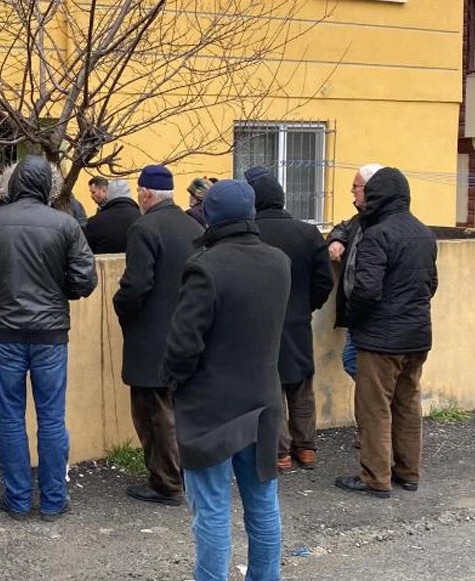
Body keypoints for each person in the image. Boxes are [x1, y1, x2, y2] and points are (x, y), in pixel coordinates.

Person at [162, 180, 290, 581]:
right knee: (263, 502)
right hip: (264, 399)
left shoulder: (206, 266)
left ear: (209, 215)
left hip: (211, 409)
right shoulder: (279, 262)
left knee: (213, 508)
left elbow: (184, 344)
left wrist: (174, 381)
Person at [0, 155, 97, 522]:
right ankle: (53, 500)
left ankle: (18, 499)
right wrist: (57, 291)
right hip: (51, 334)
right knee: (51, 417)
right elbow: (85, 280)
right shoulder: (66, 224)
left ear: (15, 183)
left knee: (10, 417)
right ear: (47, 186)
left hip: (5, 332)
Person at [335, 167, 437, 499]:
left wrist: (355, 319)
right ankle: (408, 472)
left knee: (374, 407)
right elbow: (431, 284)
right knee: (408, 403)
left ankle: (375, 477)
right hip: (417, 334)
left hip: (380, 339)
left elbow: (365, 290)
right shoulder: (423, 232)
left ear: (378, 196)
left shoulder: (377, 234)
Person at [113, 165, 203, 506]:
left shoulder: (144, 228)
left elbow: (136, 285)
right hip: (187, 332)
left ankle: (165, 482)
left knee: (153, 412)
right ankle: (183, 473)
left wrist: (120, 306)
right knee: (179, 408)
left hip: (151, 336)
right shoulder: (193, 225)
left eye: (139, 192)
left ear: (146, 194)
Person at [245, 167, 334, 471]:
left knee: (271, 387)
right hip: (297, 320)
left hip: (259, 323)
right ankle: (306, 448)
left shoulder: (249, 232)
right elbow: (324, 281)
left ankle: (280, 452)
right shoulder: (307, 232)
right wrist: (306, 306)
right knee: (300, 384)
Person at [328, 164, 382, 379]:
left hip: (370, 316)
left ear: (370, 189)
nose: (352, 191)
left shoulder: (381, 223)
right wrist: (337, 239)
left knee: (357, 366)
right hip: (360, 315)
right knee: (354, 363)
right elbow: (343, 226)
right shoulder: (362, 218)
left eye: (355, 186)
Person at [84, 178, 140, 253]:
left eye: (93, 192)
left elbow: (87, 252)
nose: (91, 196)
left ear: (107, 193)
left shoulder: (94, 222)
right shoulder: (144, 218)